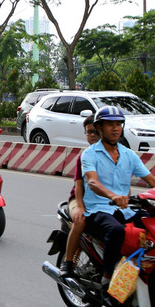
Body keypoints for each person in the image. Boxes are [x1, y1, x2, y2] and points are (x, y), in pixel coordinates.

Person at [81, 105, 155, 307]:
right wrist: (113, 195)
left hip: (125, 209)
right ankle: (107, 279)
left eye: (118, 124)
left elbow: (151, 180)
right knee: (117, 231)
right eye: (110, 124)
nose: (115, 128)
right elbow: (92, 182)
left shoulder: (129, 155)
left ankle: (143, 276)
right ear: (99, 128)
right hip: (97, 209)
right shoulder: (90, 154)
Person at [60, 116, 101, 277]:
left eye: (95, 131)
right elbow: (80, 185)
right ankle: (68, 262)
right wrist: (81, 206)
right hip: (80, 199)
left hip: (104, 202)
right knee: (80, 219)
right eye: (89, 132)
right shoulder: (86, 156)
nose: (92, 135)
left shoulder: (121, 153)